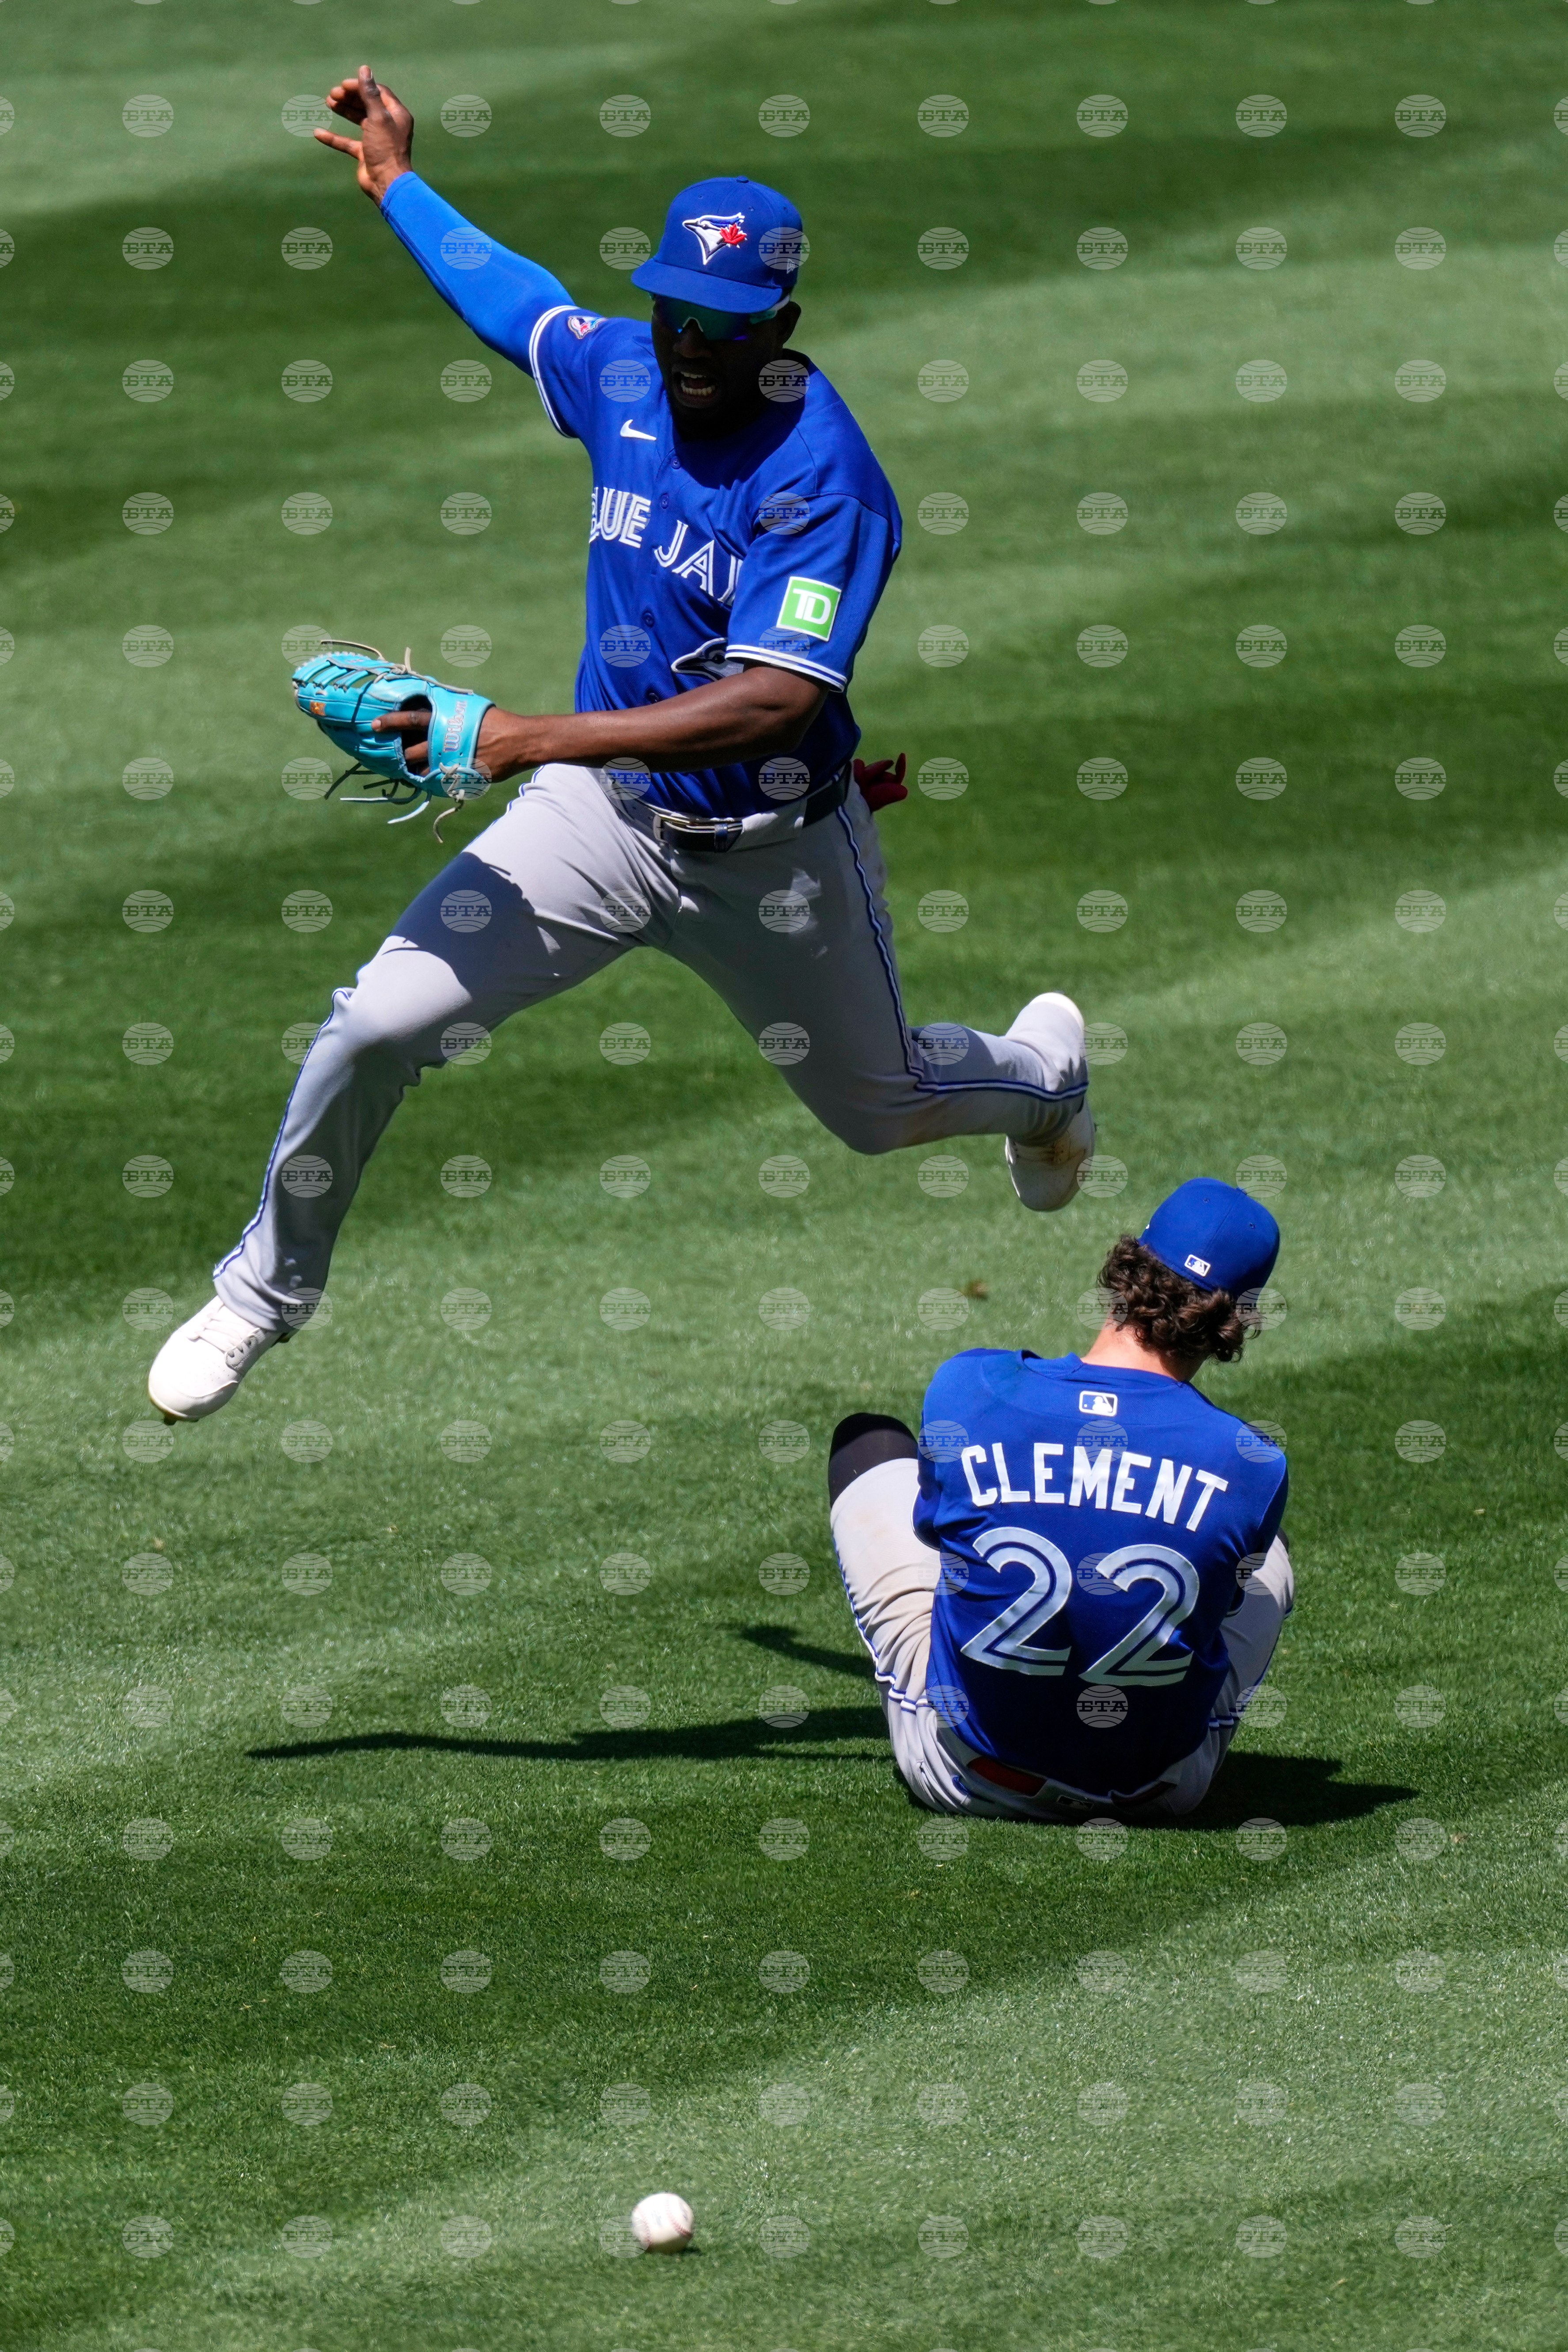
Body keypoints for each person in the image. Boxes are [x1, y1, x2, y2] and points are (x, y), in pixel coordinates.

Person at [148, 64, 1094, 1424]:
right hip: (599, 822)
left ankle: (1043, 1078)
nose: (688, 347)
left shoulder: (821, 478)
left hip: (768, 856)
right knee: (374, 1024)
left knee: (882, 1111)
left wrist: (530, 734)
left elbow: (775, 697)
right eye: (672, 314)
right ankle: (258, 1296)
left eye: (719, 326)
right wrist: (399, 185)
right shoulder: (625, 372)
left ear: (779, 319)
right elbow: (517, 303)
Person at [827, 1180, 1292, 1822]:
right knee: (1265, 1557)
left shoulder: (970, 1388)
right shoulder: (1250, 1462)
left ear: (1126, 1267)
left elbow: (934, 1533)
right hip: (1158, 1794)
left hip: (967, 1778)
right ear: (1232, 1322)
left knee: (869, 1441)